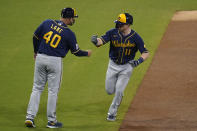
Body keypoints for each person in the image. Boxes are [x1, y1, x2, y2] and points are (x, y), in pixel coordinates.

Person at [25, 7, 92, 128]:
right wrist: (86, 53)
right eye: (73, 18)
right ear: (69, 18)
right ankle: (51, 121)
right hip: (54, 61)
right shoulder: (69, 33)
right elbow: (76, 52)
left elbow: (35, 36)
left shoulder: (47, 22)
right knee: (53, 91)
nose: (74, 20)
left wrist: (36, 51)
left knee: (37, 88)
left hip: (40, 58)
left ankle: (30, 117)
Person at [91, 13, 149, 121]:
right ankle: (119, 95)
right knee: (109, 90)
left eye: (120, 24)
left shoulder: (135, 37)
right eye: (117, 23)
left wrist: (138, 61)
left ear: (128, 24)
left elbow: (145, 52)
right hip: (112, 65)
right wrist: (95, 41)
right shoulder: (112, 33)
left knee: (119, 90)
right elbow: (100, 42)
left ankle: (112, 113)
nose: (118, 25)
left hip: (127, 67)